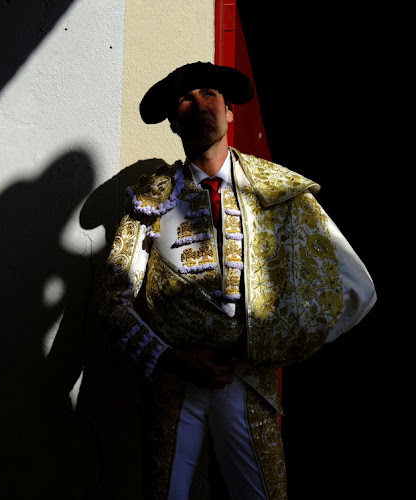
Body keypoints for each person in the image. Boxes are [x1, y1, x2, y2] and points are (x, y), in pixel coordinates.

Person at [96, 62, 376, 500]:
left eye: (210, 94)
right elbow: (113, 300)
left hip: (248, 378)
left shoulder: (277, 191)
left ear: (230, 113)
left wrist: (279, 343)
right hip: (173, 383)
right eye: (185, 99)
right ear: (173, 122)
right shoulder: (149, 197)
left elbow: (357, 289)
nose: (199, 105)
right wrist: (171, 358)